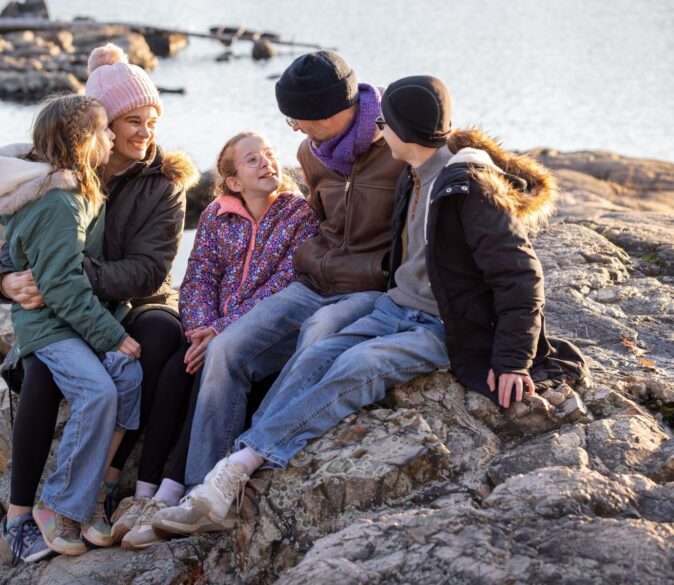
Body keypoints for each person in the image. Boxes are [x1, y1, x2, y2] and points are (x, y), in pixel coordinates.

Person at [155, 75, 588, 533]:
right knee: (315, 356)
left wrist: (513, 359)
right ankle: (232, 473)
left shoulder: (469, 187)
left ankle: (238, 467)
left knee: (359, 364)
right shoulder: (412, 175)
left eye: (386, 124)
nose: (379, 131)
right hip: (394, 307)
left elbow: (520, 275)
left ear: (406, 132)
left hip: (442, 326)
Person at [171, 51, 406, 525]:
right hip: (312, 281)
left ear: (328, 111)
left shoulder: (398, 147)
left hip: (368, 288)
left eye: (296, 118)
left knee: (317, 336)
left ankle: (245, 470)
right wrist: (212, 323)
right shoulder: (310, 154)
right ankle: (202, 490)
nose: (294, 129)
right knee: (226, 349)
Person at [0, 44, 199, 549]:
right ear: (101, 126)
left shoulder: (164, 181)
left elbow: (150, 270)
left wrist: (71, 276)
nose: (145, 132)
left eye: (152, 121)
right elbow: (17, 245)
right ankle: (21, 515)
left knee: (157, 337)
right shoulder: (64, 170)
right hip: (67, 305)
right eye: (132, 121)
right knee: (42, 371)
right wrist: (7, 283)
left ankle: (104, 480)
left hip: (134, 299)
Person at [108, 131, 319, 550]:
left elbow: (285, 283)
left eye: (269, 154)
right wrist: (200, 329)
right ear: (233, 181)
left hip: (257, 335)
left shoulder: (298, 214)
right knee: (177, 371)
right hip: (211, 331)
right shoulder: (216, 216)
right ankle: (144, 494)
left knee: (205, 371)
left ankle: (171, 492)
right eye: (252, 159)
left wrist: (222, 330)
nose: (266, 162)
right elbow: (198, 277)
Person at [0, 94, 144, 563]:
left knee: (128, 377)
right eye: (104, 130)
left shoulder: (75, 189)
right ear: (83, 141)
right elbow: (62, 285)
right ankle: (59, 504)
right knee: (98, 391)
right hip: (50, 327)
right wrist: (112, 336)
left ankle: (90, 495)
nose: (111, 136)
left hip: (70, 320)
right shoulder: (60, 201)